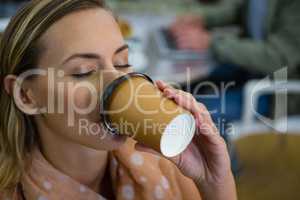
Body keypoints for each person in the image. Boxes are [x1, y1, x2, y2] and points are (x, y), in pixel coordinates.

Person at [0, 0, 237, 199]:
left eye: (122, 62)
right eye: (83, 71)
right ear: (25, 95)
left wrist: (215, 185)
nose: (118, 81)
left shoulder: (162, 160)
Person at [171, 0, 300, 121]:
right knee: (179, 91)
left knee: (190, 113)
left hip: (274, 91)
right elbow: (241, 9)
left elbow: (278, 58)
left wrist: (211, 42)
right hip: (247, 70)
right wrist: (202, 18)